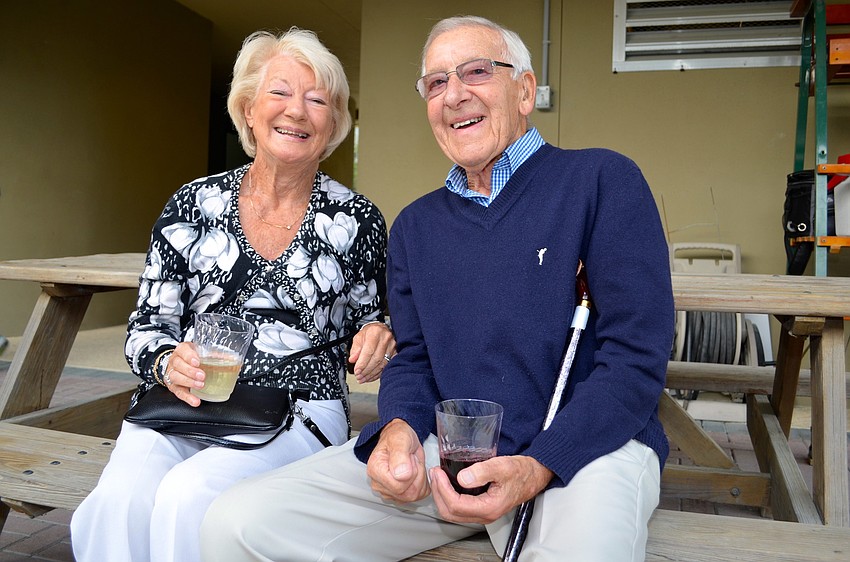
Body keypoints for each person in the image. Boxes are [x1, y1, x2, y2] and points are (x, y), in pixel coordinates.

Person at [200, 15, 674, 562]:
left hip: (584, 451)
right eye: (436, 82)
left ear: (524, 91)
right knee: (237, 524)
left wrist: (539, 464)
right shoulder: (415, 227)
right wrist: (399, 428)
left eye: (476, 72)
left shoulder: (601, 181)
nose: (454, 94)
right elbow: (416, 358)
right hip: (451, 454)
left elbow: (635, 358)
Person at [70, 27, 394, 562]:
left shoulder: (357, 219)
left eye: (318, 100)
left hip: (298, 408)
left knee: (189, 495)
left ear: (334, 123)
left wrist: (378, 334)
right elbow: (147, 328)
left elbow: (373, 320)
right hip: (189, 401)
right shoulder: (192, 204)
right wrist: (166, 361)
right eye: (280, 92)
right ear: (248, 109)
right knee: (118, 501)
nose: (297, 110)